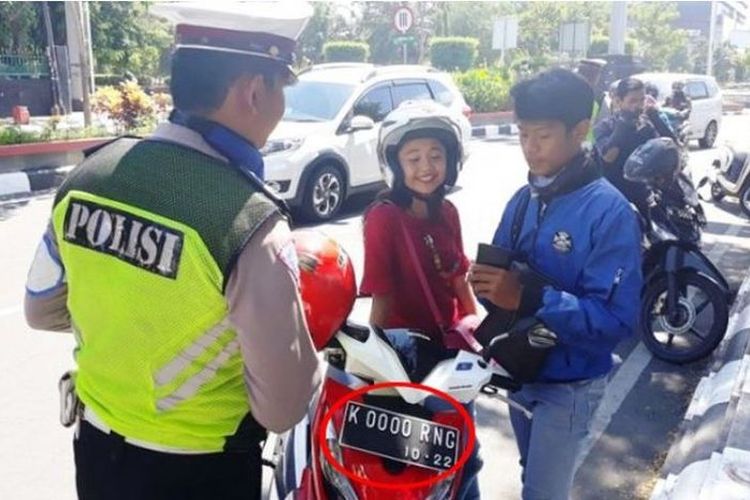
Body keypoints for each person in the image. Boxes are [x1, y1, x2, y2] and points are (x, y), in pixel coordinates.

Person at [23, 4, 332, 499]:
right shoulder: (248, 224)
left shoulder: (88, 179)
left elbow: (40, 310)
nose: (282, 107)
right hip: (199, 476)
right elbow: (283, 408)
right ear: (254, 91)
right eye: (282, 88)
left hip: (97, 456)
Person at [469, 68, 642, 500]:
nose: (530, 147)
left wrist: (528, 296)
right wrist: (486, 284)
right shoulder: (523, 198)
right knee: (532, 475)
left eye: (543, 135)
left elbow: (615, 322)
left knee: (543, 492)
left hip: (570, 384)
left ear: (579, 130)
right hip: (521, 368)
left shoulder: (611, 212)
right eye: (523, 134)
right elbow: (500, 283)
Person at [360, 100, 481, 499]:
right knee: (419, 467)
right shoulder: (383, 218)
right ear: (395, 164)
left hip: (451, 354)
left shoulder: (448, 211)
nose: (426, 167)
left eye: (436, 155)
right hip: (404, 358)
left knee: (465, 457)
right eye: (413, 158)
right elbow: (381, 294)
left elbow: (459, 278)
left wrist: (479, 338)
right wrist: (375, 365)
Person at [594, 77, 659, 214]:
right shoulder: (605, 126)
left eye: (642, 100)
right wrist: (623, 125)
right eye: (632, 101)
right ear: (618, 101)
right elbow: (608, 157)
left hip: (643, 193)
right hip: (615, 196)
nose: (638, 105)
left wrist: (657, 120)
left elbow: (662, 149)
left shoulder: (646, 126)